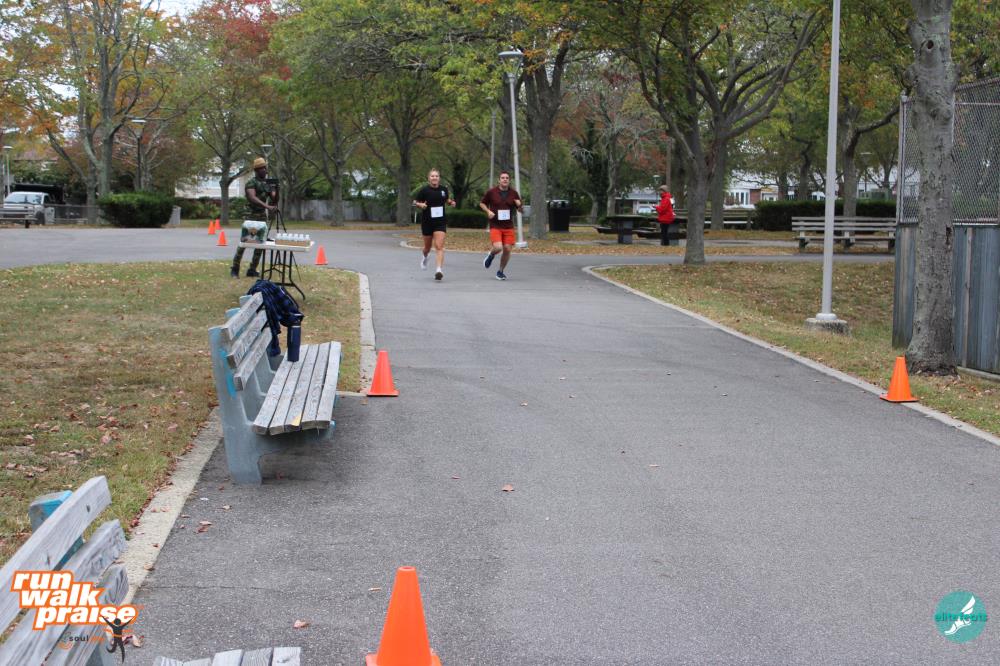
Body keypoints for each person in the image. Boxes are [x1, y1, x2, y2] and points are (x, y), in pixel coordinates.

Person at [230, 157, 279, 278]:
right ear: (257, 170)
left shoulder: (267, 184)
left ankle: (252, 269)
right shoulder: (251, 183)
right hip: (251, 216)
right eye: (262, 168)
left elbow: (274, 199)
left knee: (260, 243)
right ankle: (235, 268)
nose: (265, 170)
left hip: (262, 217)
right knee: (245, 242)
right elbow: (252, 198)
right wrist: (267, 206)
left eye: (265, 168)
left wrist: (276, 189)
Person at [479, 171, 523, 280]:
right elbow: (482, 203)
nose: (505, 179)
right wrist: (488, 211)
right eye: (503, 178)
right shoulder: (492, 192)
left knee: (507, 249)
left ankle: (500, 271)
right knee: (498, 247)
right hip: (495, 225)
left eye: (507, 178)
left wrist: (520, 206)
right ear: (499, 180)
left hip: (508, 226)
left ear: (509, 180)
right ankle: (491, 255)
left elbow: (521, 211)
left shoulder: (514, 193)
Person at [412, 168, 455, 280]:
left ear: (439, 178)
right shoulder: (424, 190)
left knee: (439, 246)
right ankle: (425, 256)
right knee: (427, 247)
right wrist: (421, 205)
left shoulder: (444, 189)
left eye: (436, 176)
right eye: (432, 176)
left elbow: (446, 199)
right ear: (429, 178)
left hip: (440, 222)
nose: (434, 178)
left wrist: (451, 202)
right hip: (427, 222)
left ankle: (438, 270)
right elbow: (415, 202)